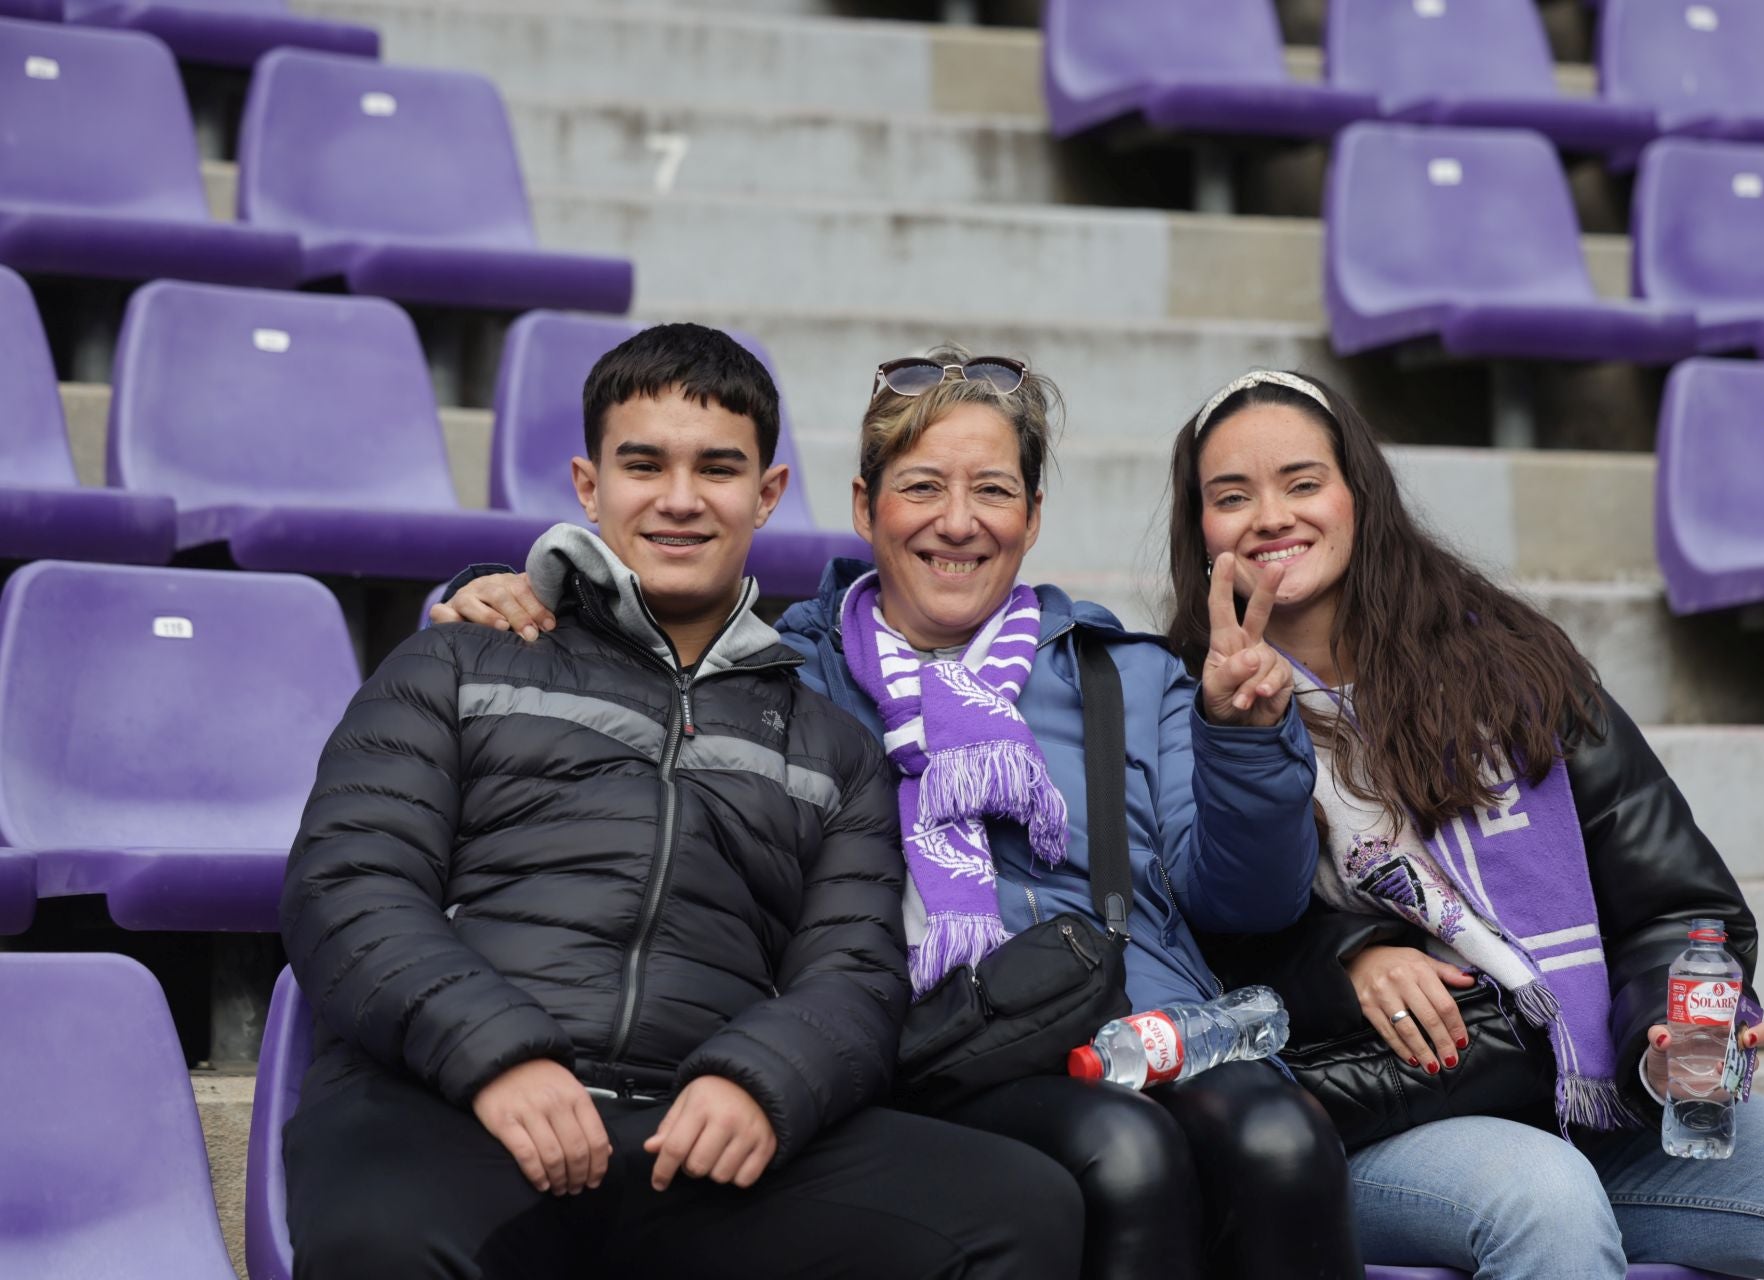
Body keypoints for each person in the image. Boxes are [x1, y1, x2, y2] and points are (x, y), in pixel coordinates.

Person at [435, 347, 1364, 1280]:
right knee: (1122, 1153)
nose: (957, 523)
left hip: (1137, 1021)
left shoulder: (1125, 674)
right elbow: (640, 646)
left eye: (994, 491)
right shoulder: (782, 668)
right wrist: (488, 590)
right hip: (919, 1043)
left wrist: (1244, 740)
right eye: (922, 487)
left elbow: (1250, 905)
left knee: (1278, 1138)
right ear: (863, 507)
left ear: (1033, 518)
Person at [281, 323, 1083, 1280]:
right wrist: (496, 1056)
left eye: (717, 468)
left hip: (692, 1139)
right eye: (643, 464)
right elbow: (349, 886)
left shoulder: (830, 742)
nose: (678, 499)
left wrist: (760, 1083)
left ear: (768, 494)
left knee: (1020, 1210)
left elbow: (856, 976)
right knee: (384, 1243)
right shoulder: (456, 659)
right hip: (448, 1109)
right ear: (589, 484)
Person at [1164, 368, 1764, 1279]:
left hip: (1595, 1101)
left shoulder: (1511, 669)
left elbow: (1674, 905)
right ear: (1199, 528)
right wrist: (1347, 956)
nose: (1271, 516)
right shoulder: (1178, 704)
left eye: (1302, 482)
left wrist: (1661, 1038)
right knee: (1544, 1199)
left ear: (1358, 495)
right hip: (1379, 1116)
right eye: (1231, 496)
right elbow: (1199, 941)